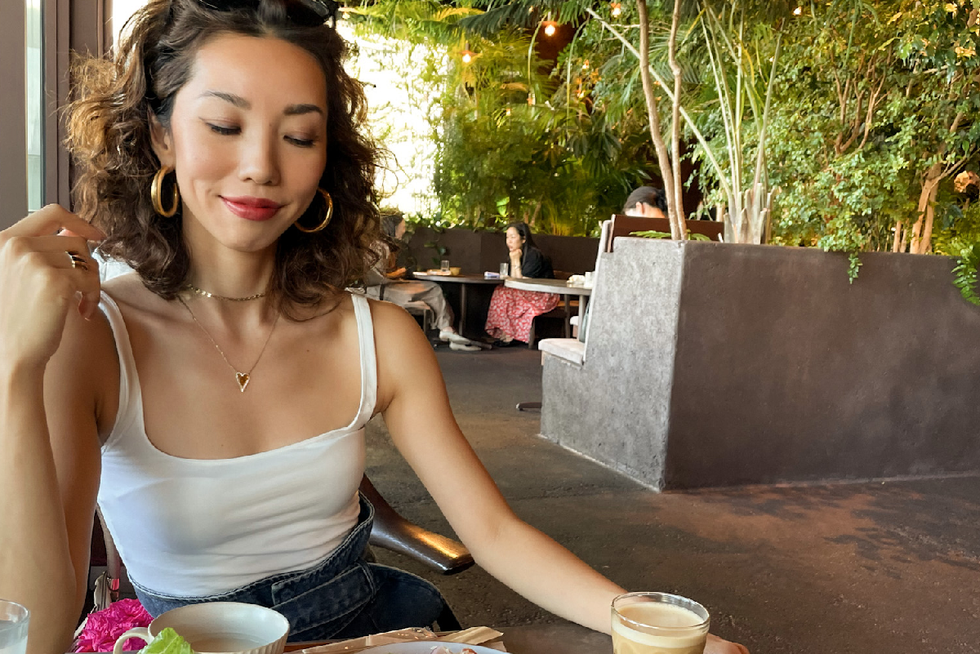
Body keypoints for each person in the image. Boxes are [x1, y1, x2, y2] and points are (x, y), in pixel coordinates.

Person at [0, 2, 747, 654]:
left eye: (299, 136)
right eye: (224, 124)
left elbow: (492, 533)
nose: (260, 165)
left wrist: (643, 623)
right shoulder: (95, 341)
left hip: (376, 633)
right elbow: (37, 631)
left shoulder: (380, 337)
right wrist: (13, 374)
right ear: (160, 136)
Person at [365, 212, 480, 352]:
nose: (405, 230)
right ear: (393, 228)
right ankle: (447, 329)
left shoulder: (388, 246)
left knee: (432, 290)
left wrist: (397, 274)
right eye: (402, 227)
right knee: (432, 290)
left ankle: (447, 330)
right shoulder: (378, 246)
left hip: (389, 287)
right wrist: (398, 273)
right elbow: (375, 276)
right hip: (379, 291)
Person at [484, 222, 558, 346]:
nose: (509, 241)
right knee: (501, 290)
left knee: (505, 293)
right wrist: (514, 258)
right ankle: (507, 332)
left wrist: (515, 259)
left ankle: (510, 335)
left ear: (523, 239)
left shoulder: (534, 255)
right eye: (507, 237)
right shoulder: (516, 254)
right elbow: (514, 281)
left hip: (544, 295)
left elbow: (522, 282)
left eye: (513, 237)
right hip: (526, 292)